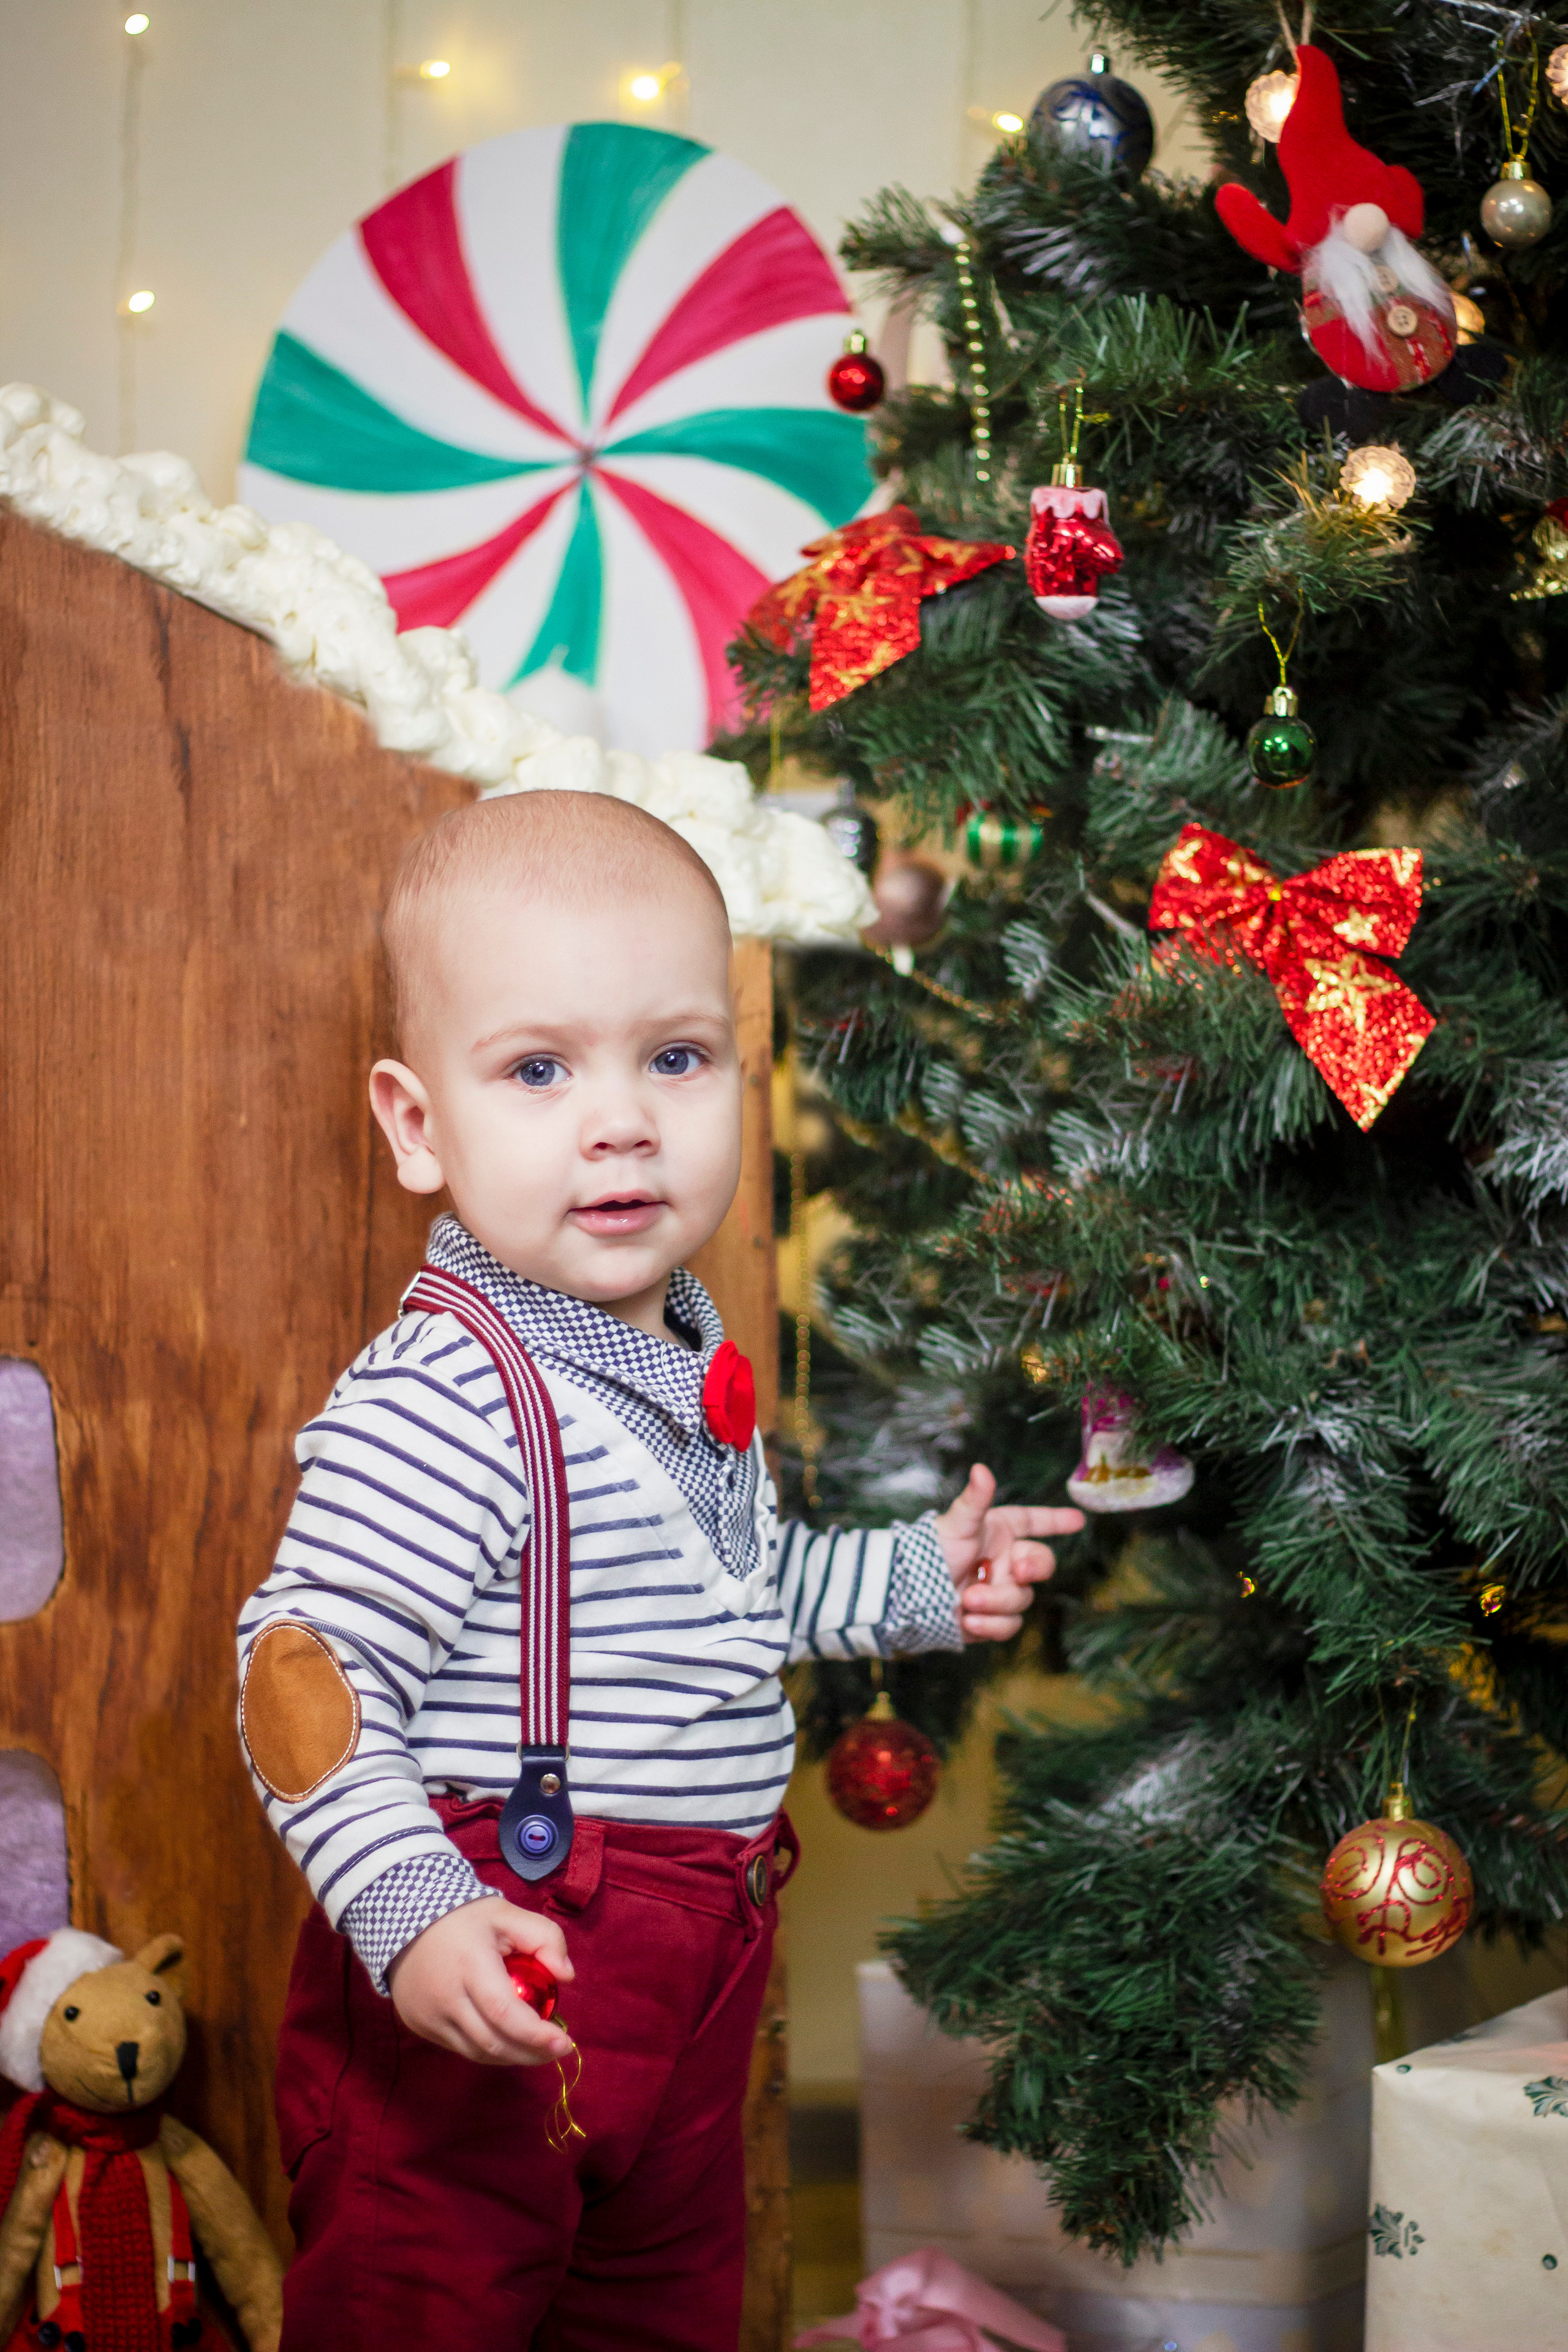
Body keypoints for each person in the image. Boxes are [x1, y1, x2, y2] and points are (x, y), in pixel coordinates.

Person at [236, 790, 1083, 2352]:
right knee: (427, 2304)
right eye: (539, 1069)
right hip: (508, 1947)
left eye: (674, 1058)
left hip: (693, 1971)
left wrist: (908, 1579)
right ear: (419, 1125)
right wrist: (415, 1913)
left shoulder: (679, 1351)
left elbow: (726, 1601)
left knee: (656, 2311)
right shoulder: (453, 1389)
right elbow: (306, 1675)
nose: (618, 1120)